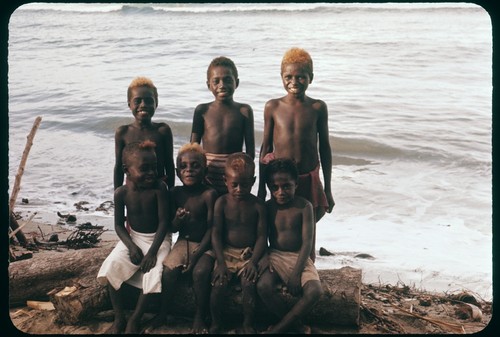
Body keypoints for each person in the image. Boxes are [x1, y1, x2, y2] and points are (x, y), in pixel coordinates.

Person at [258, 47, 335, 262]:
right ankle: (279, 262)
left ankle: (307, 268)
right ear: (281, 77)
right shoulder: (273, 106)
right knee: (280, 223)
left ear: (311, 77)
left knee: (308, 223)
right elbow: (265, 149)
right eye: (288, 76)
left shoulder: (318, 107)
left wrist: (328, 188)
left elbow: (325, 148)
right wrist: (261, 187)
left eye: (301, 76)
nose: (294, 81)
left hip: (308, 176)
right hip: (281, 179)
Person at [97, 140, 172, 334]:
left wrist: (152, 253)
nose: (151, 173)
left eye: (154, 167)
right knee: (111, 265)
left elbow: (164, 223)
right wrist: (130, 246)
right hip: (134, 237)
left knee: (153, 272)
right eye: (144, 169)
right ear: (126, 170)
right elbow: (118, 225)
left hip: (158, 240)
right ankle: (119, 317)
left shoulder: (159, 189)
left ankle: (135, 318)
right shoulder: (121, 193)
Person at [145, 143, 218, 334]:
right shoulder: (175, 193)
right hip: (183, 242)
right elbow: (171, 227)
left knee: (200, 273)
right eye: (184, 167)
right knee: (168, 271)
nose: (189, 170)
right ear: (177, 173)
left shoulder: (209, 194)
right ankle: (163, 312)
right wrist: (177, 219)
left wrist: (197, 254)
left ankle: (199, 315)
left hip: (206, 244)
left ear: (205, 170)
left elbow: (212, 230)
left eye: (195, 166)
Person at [257, 158, 324, 334]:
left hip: (299, 256)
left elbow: (307, 242)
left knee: (315, 291)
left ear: (296, 183)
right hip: (275, 255)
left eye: (286, 186)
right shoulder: (267, 207)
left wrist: (296, 273)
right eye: (274, 187)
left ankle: (278, 329)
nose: (281, 191)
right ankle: (297, 326)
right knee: (263, 287)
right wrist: (264, 257)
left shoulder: (304, 207)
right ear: (269, 187)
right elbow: (262, 237)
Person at [209, 152, 267, 333]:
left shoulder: (258, 205)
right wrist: (220, 262)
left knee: (249, 284)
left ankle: (247, 323)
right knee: (219, 285)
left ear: (253, 180)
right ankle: (216, 322)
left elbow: (261, 237)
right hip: (226, 252)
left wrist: (253, 262)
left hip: (248, 253)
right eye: (234, 184)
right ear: (225, 180)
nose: (239, 189)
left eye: (244, 184)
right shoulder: (221, 203)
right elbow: (216, 234)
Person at [191, 56, 255, 195]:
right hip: (208, 171)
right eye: (216, 81)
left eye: (227, 80)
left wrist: (243, 174)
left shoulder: (244, 111)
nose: (222, 85)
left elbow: (250, 151)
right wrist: (198, 173)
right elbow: (193, 148)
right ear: (209, 85)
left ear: (236, 82)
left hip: (234, 172)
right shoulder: (202, 110)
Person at [114, 76, 175, 191]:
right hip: (133, 192)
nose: (143, 105)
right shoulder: (123, 133)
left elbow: (169, 165)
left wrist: (171, 194)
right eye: (137, 101)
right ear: (129, 104)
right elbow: (118, 168)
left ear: (156, 103)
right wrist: (117, 194)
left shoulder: (162, 131)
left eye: (148, 101)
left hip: (158, 191)